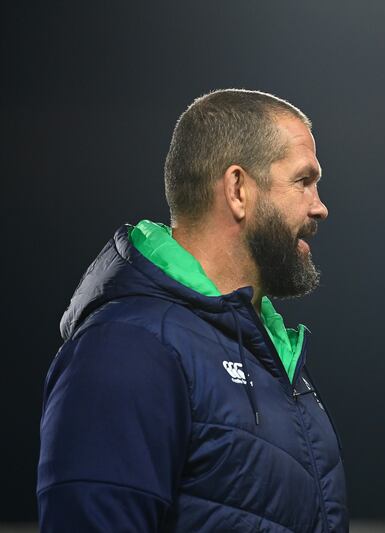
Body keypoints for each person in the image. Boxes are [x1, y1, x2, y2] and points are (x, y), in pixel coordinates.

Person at [37, 89, 348, 532]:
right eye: (303, 181)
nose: (320, 207)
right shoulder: (128, 347)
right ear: (238, 190)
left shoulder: (270, 353)